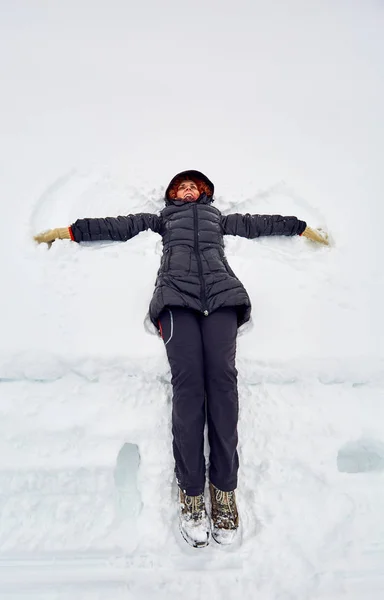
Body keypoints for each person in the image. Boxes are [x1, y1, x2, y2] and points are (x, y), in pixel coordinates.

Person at [34, 169, 329, 548]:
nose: (188, 189)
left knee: (222, 383)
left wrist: (300, 227)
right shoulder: (160, 220)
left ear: (203, 193)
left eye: (194, 186)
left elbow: (259, 224)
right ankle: (191, 493)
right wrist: (68, 232)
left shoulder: (218, 219)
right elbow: (117, 226)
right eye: (181, 186)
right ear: (173, 194)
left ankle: (224, 490)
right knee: (189, 386)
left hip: (222, 299)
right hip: (175, 300)